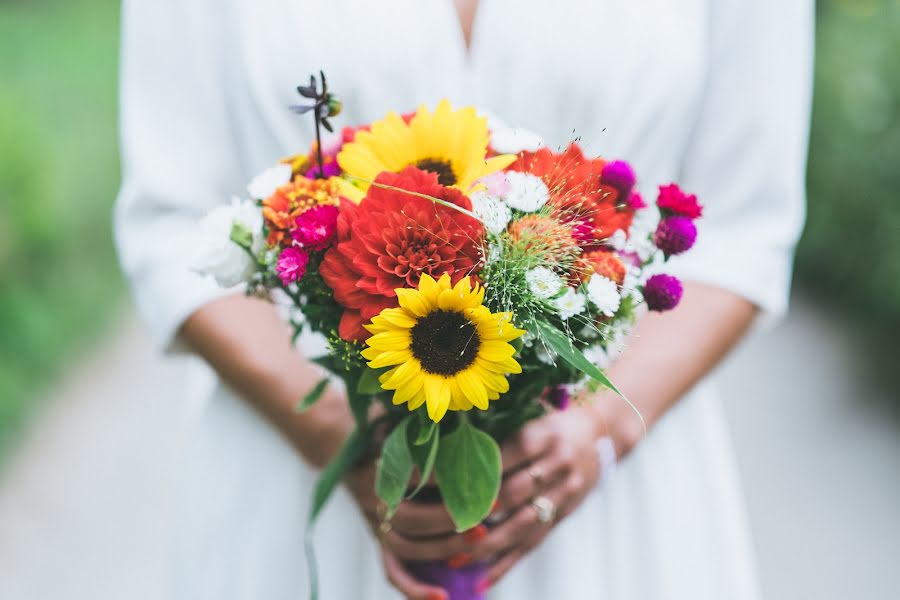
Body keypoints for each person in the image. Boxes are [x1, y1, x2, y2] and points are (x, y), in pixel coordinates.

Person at [114, 0, 813, 598]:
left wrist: (594, 431)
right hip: (293, 471)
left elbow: (746, 227)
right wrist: (342, 436)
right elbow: (170, 222)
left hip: (614, 487)